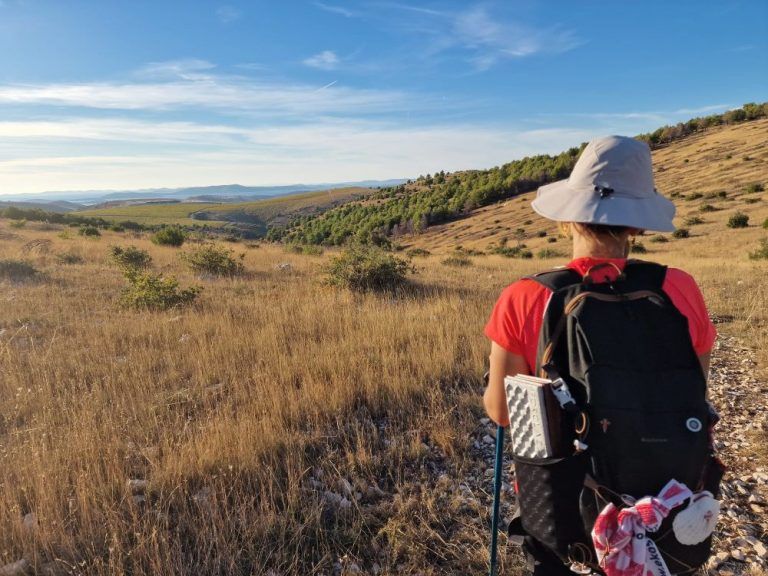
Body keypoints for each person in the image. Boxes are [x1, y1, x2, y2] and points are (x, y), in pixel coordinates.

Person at [482, 135, 717, 575]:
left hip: (566, 509)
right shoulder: (680, 289)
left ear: (569, 219)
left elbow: (501, 412)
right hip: (666, 504)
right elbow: (695, 390)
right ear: (638, 226)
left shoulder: (525, 297)